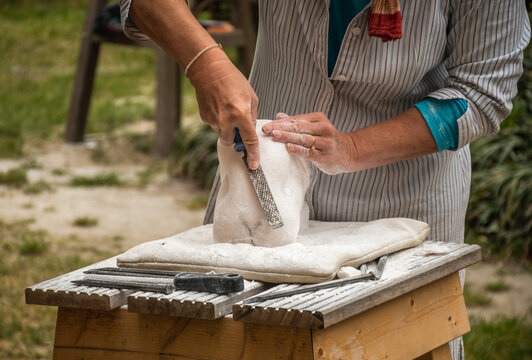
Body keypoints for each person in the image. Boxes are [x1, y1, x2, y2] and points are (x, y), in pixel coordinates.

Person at [118, 1, 530, 358]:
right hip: (256, 185)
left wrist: (351, 148)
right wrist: (203, 60)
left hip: (404, 200)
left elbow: (481, 94)